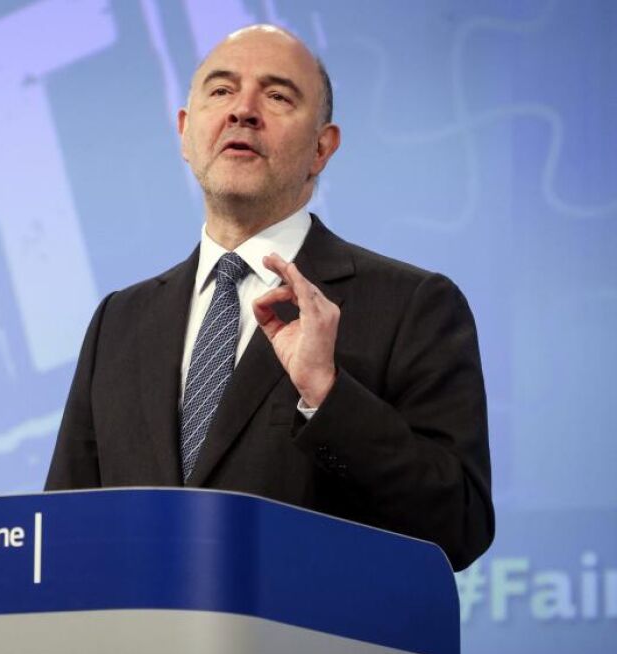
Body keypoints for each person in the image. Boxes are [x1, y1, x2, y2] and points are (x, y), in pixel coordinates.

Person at [44, 25, 493, 571]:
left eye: (278, 96)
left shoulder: (412, 306)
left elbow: (458, 526)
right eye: (221, 91)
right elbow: (60, 534)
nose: (243, 111)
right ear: (185, 132)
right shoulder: (120, 320)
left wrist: (327, 395)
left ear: (322, 147)